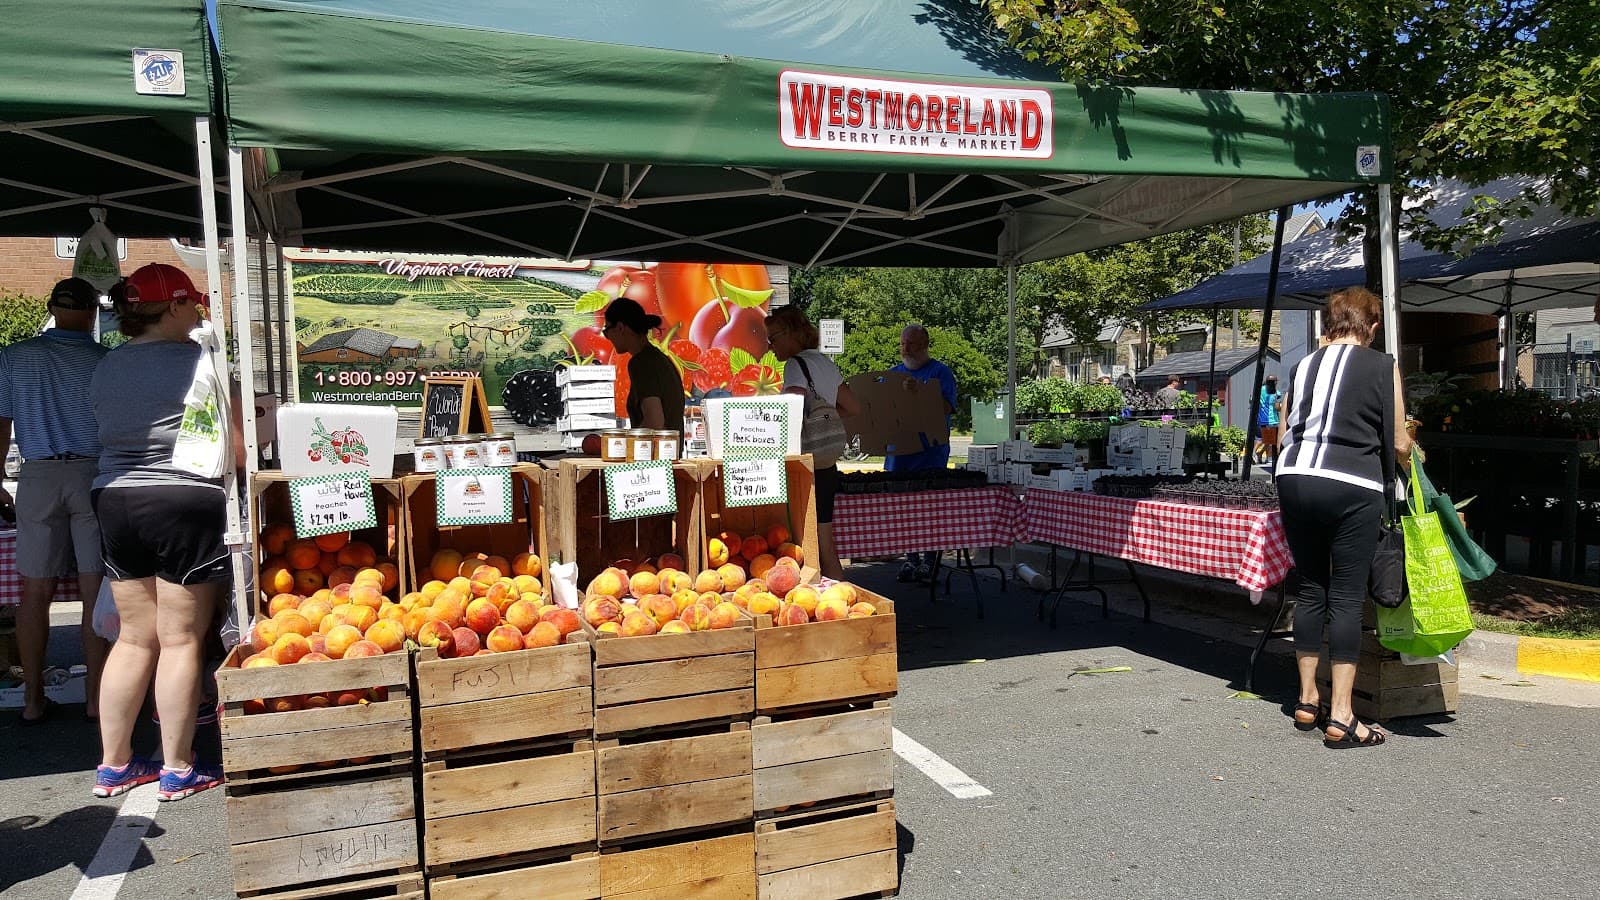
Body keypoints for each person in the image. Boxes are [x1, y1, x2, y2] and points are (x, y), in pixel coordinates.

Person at [90, 263, 231, 800]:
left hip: (114, 497)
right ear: (172, 305)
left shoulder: (106, 366)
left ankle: (115, 764)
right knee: (180, 639)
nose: (197, 312)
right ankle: (177, 766)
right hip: (181, 499)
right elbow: (235, 448)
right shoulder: (203, 362)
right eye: (191, 303)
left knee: (132, 636)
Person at [1276, 286, 1411, 748]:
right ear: (1371, 327)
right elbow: (1396, 441)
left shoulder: (1302, 365)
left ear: (1329, 323)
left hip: (1294, 477)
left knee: (1312, 586)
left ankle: (1306, 699)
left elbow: (1286, 427)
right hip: (1351, 483)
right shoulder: (1382, 365)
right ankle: (1343, 714)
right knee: (1348, 597)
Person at [0, 278, 110, 725]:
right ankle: (95, 698)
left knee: (34, 592)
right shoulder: (104, 360)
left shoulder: (14, 357)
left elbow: (2, 424)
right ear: (90, 313)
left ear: (49, 308)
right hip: (92, 473)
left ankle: (31, 699)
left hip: (38, 473)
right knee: (93, 593)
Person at [765, 307, 860, 580]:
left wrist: (807, 422)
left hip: (803, 467)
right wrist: (824, 420)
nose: (770, 347)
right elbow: (853, 407)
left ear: (792, 334)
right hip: (827, 464)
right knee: (825, 545)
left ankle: (822, 608)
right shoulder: (825, 362)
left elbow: (790, 412)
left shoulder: (795, 365)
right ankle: (841, 601)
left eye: (773, 338)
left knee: (804, 549)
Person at [885, 324, 957, 582]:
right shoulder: (892, 375)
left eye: (912, 344)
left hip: (930, 455)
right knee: (904, 511)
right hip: (899, 456)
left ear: (925, 344)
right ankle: (910, 559)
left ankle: (930, 561)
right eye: (903, 343)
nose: (906, 349)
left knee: (929, 510)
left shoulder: (940, 372)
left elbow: (948, 407)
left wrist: (922, 392)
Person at [603, 298, 683, 433]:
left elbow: (654, 422)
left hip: (656, 452)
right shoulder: (659, 358)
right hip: (670, 450)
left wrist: (624, 443)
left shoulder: (641, 363)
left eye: (607, 330)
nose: (607, 337)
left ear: (620, 327)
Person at [1256, 374, 1283, 464]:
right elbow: (1277, 407)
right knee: (1272, 440)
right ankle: (1263, 455)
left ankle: (1262, 455)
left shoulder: (1259, 390)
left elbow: (1252, 400)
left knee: (1266, 439)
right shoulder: (1275, 392)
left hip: (1261, 419)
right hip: (1272, 419)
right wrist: (1282, 407)